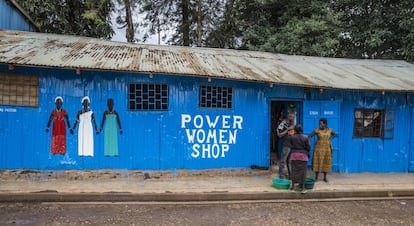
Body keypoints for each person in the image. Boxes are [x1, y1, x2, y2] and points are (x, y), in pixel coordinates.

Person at [309, 118, 336, 182]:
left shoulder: (330, 130)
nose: (319, 125)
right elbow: (310, 136)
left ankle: (325, 178)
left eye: (321, 123)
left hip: (327, 149)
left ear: (325, 124)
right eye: (319, 123)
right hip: (318, 149)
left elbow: (334, 134)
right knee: (318, 162)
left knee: (326, 162)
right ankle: (316, 178)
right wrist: (309, 143)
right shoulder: (317, 130)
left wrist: (330, 139)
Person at [287, 125, 311, 193]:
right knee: (303, 172)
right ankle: (303, 188)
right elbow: (308, 147)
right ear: (301, 130)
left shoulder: (292, 137)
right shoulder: (305, 137)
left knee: (294, 171)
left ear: (295, 130)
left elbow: (290, 145)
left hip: (294, 155)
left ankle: (293, 187)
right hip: (303, 156)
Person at [277, 113, 295, 179]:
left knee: (289, 161)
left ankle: (291, 175)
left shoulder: (292, 124)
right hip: (286, 145)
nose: (293, 119)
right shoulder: (283, 124)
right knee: (283, 161)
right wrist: (287, 130)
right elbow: (279, 135)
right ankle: (281, 175)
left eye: (293, 117)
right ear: (289, 116)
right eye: (292, 117)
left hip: (292, 145)